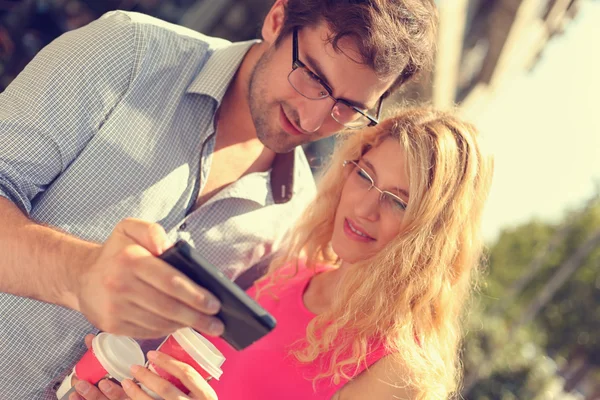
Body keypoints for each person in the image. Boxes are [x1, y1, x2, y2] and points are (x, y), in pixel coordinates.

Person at [0, 0, 439, 398]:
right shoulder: (127, 51)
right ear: (276, 19)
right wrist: (78, 274)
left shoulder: (291, 221)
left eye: (348, 107)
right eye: (311, 77)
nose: (312, 119)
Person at [87, 107, 494, 400]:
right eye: (365, 176)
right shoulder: (291, 273)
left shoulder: (399, 369)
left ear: (431, 234)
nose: (364, 208)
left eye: (398, 202)